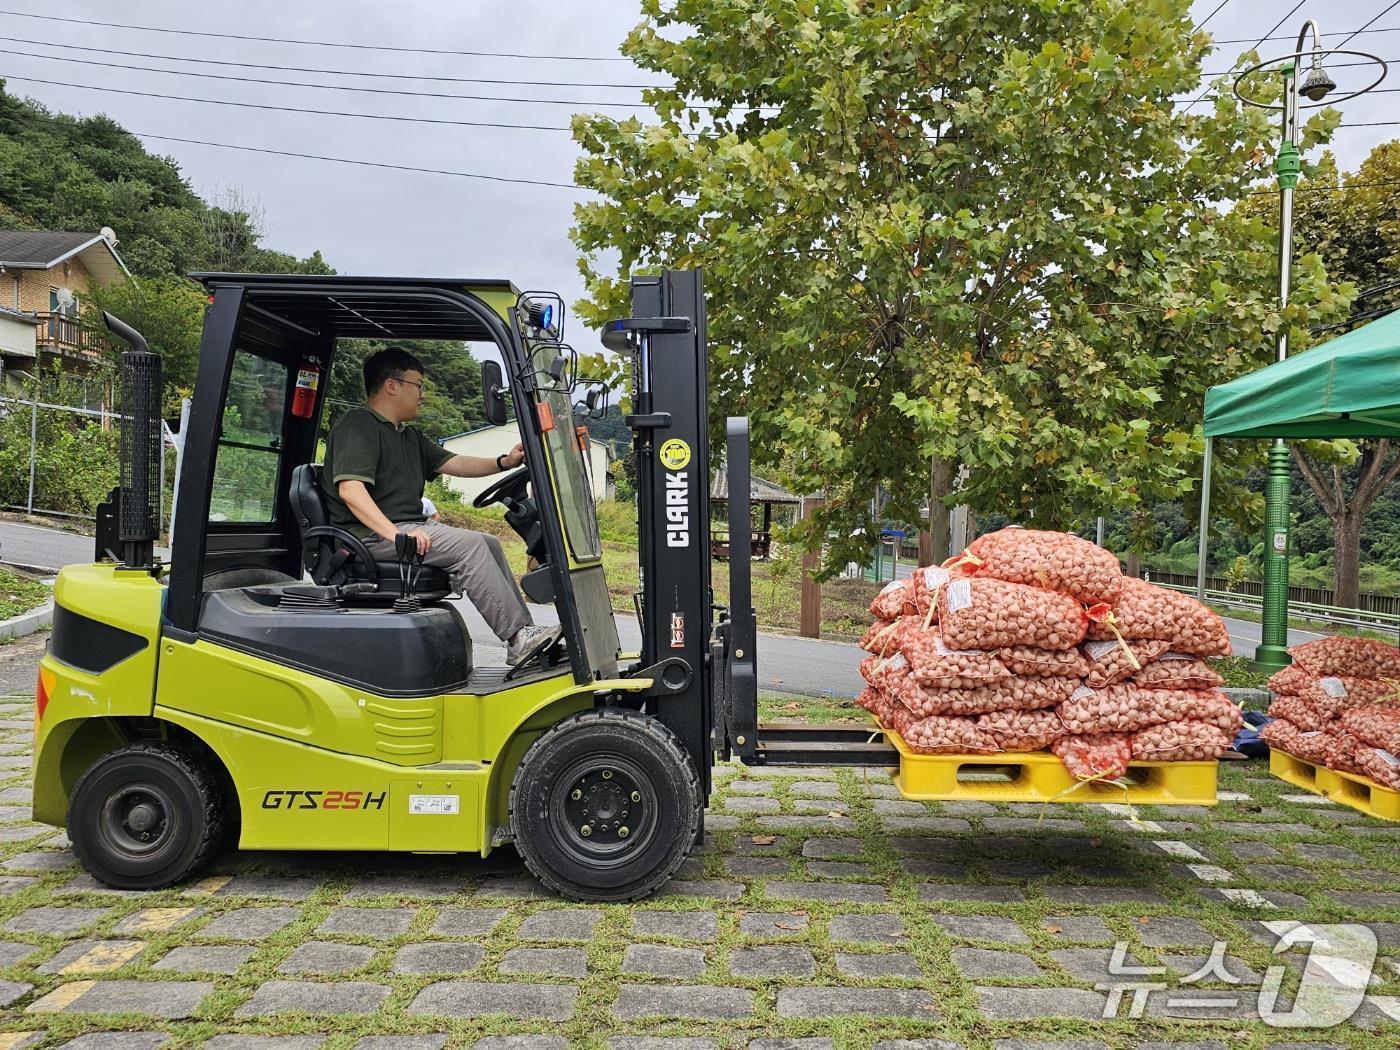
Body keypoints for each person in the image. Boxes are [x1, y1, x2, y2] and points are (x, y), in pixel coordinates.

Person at [322, 346, 561, 667]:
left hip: (403, 530)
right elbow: (351, 490)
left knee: (488, 543)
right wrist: (394, 535)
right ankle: (518, 638)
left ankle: (524, 634)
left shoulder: (408, 436)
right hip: (368, 537)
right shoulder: (359, 425)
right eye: (418, 385)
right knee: (471, 546)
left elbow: (457, 463)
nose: (422, 395)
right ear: (392, 386)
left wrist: (504, 461)